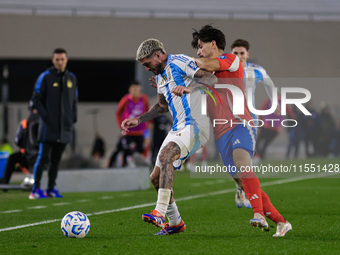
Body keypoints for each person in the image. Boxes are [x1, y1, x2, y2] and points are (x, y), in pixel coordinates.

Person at [191, 25, 292, 237]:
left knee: (243, 166)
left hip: (241, 123)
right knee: (242, 180)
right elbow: (199, 86)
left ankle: (259, 215)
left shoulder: (231, 59)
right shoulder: (205, 72)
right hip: (221, 132)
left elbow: (206, 63)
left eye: (200, 47)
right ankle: (281, 222)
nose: (198, 52)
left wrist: (181, 63)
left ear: (213, 44)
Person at [121, 38, 216, 235]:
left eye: (147, 64)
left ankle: (159, 213)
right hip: (179, 126)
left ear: (158, 55)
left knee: (165, 156)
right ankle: (175, 222)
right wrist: (138, 120)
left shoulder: (178, 62)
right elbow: (162, 107)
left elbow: (210, 78)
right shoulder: (161, 76)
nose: (147, 69)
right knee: (155, 178)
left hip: (196, 124)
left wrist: (191, 88)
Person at [230, 39, 277, 208]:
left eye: (242, 53)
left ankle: (243, 192)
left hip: (249, 118)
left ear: (247, 54)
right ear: (231, 54)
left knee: (246, 156)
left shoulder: (256, 70)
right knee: (231, 158)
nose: (239, 56)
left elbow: (270, 86)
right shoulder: (224, 69)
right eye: (235, 53)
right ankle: (240, 188)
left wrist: (275, 104)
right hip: (228, 117)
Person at [29, 48, 78, 199]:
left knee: (56, 160)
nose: (60, 62)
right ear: (53, 60)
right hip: (48, 127)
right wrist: (46, 117)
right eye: (57, 59)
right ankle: (35, 189)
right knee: (43, 158)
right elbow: (36, 99)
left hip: (65, 128)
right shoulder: (45, 77)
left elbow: (74, 101)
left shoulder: (72, 78)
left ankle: (51, 188)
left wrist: (73, 118)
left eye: (62, 59)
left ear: (66, 60)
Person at [108, 81, 150, 167]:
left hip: (140, 132)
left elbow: (147, 114)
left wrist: (147, 133)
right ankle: (115, 166)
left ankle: (139, 169)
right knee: (124, 150)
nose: (136, 92)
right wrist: (122, 126)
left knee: (140, 152)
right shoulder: (126, 99)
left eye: (137, 89)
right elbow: (118, 113)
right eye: (134, 89)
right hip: (128, 132)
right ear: (130, 90)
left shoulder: (144, 99)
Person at [0, 103, 39, 185]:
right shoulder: (24, 124)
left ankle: (37, 178)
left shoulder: (43, 123)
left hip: (39, 155)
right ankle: (4, 181)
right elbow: (18, 141)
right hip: (27, 154)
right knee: (12, 158)